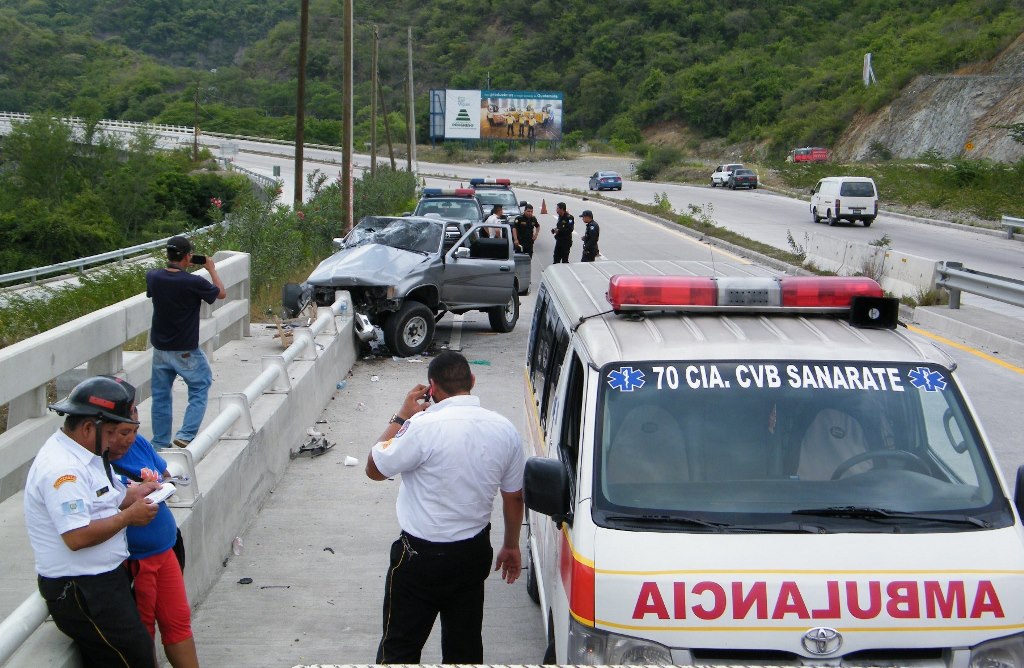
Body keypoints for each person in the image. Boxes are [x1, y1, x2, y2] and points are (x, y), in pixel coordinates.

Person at [365, 351, 525, 664]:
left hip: (418, 559)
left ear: (432, 388)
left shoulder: (422, 426)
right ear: (473, 381)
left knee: (400, 646)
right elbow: (513, 496)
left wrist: (402, 416)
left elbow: (374, 468)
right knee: (464, 648)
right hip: (471, 554)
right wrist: (511, 546)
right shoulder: (504, 429)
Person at [23, 375, 161, 668]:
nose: (117, 440)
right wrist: (128, 517)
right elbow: (77, 537)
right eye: (112, 432)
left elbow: (106, 498)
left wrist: (136, 494)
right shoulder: (63, 470)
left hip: (103, 582)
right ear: (88, 427)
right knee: (134, 659)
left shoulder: (89, 453)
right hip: (82, 588)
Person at [109, 402, 201, 668]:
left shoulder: (138, 444)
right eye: (122, 432)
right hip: (136, 560)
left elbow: (163, 472)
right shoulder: (98, 464)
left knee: (178, 621)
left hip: (165, 549)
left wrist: (160, 485)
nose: (129, 438)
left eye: (134, 429)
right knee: (142, 630)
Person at [146, 235, 226, 449]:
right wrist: (211, 269)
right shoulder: (194, 282)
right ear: (188, 257)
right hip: (184, 349)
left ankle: (160, 442)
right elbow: (221, 293)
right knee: (201, 384)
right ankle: (186, 434)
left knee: (161, 396)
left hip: (160, 348)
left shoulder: (153, 277)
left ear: (168, 255)